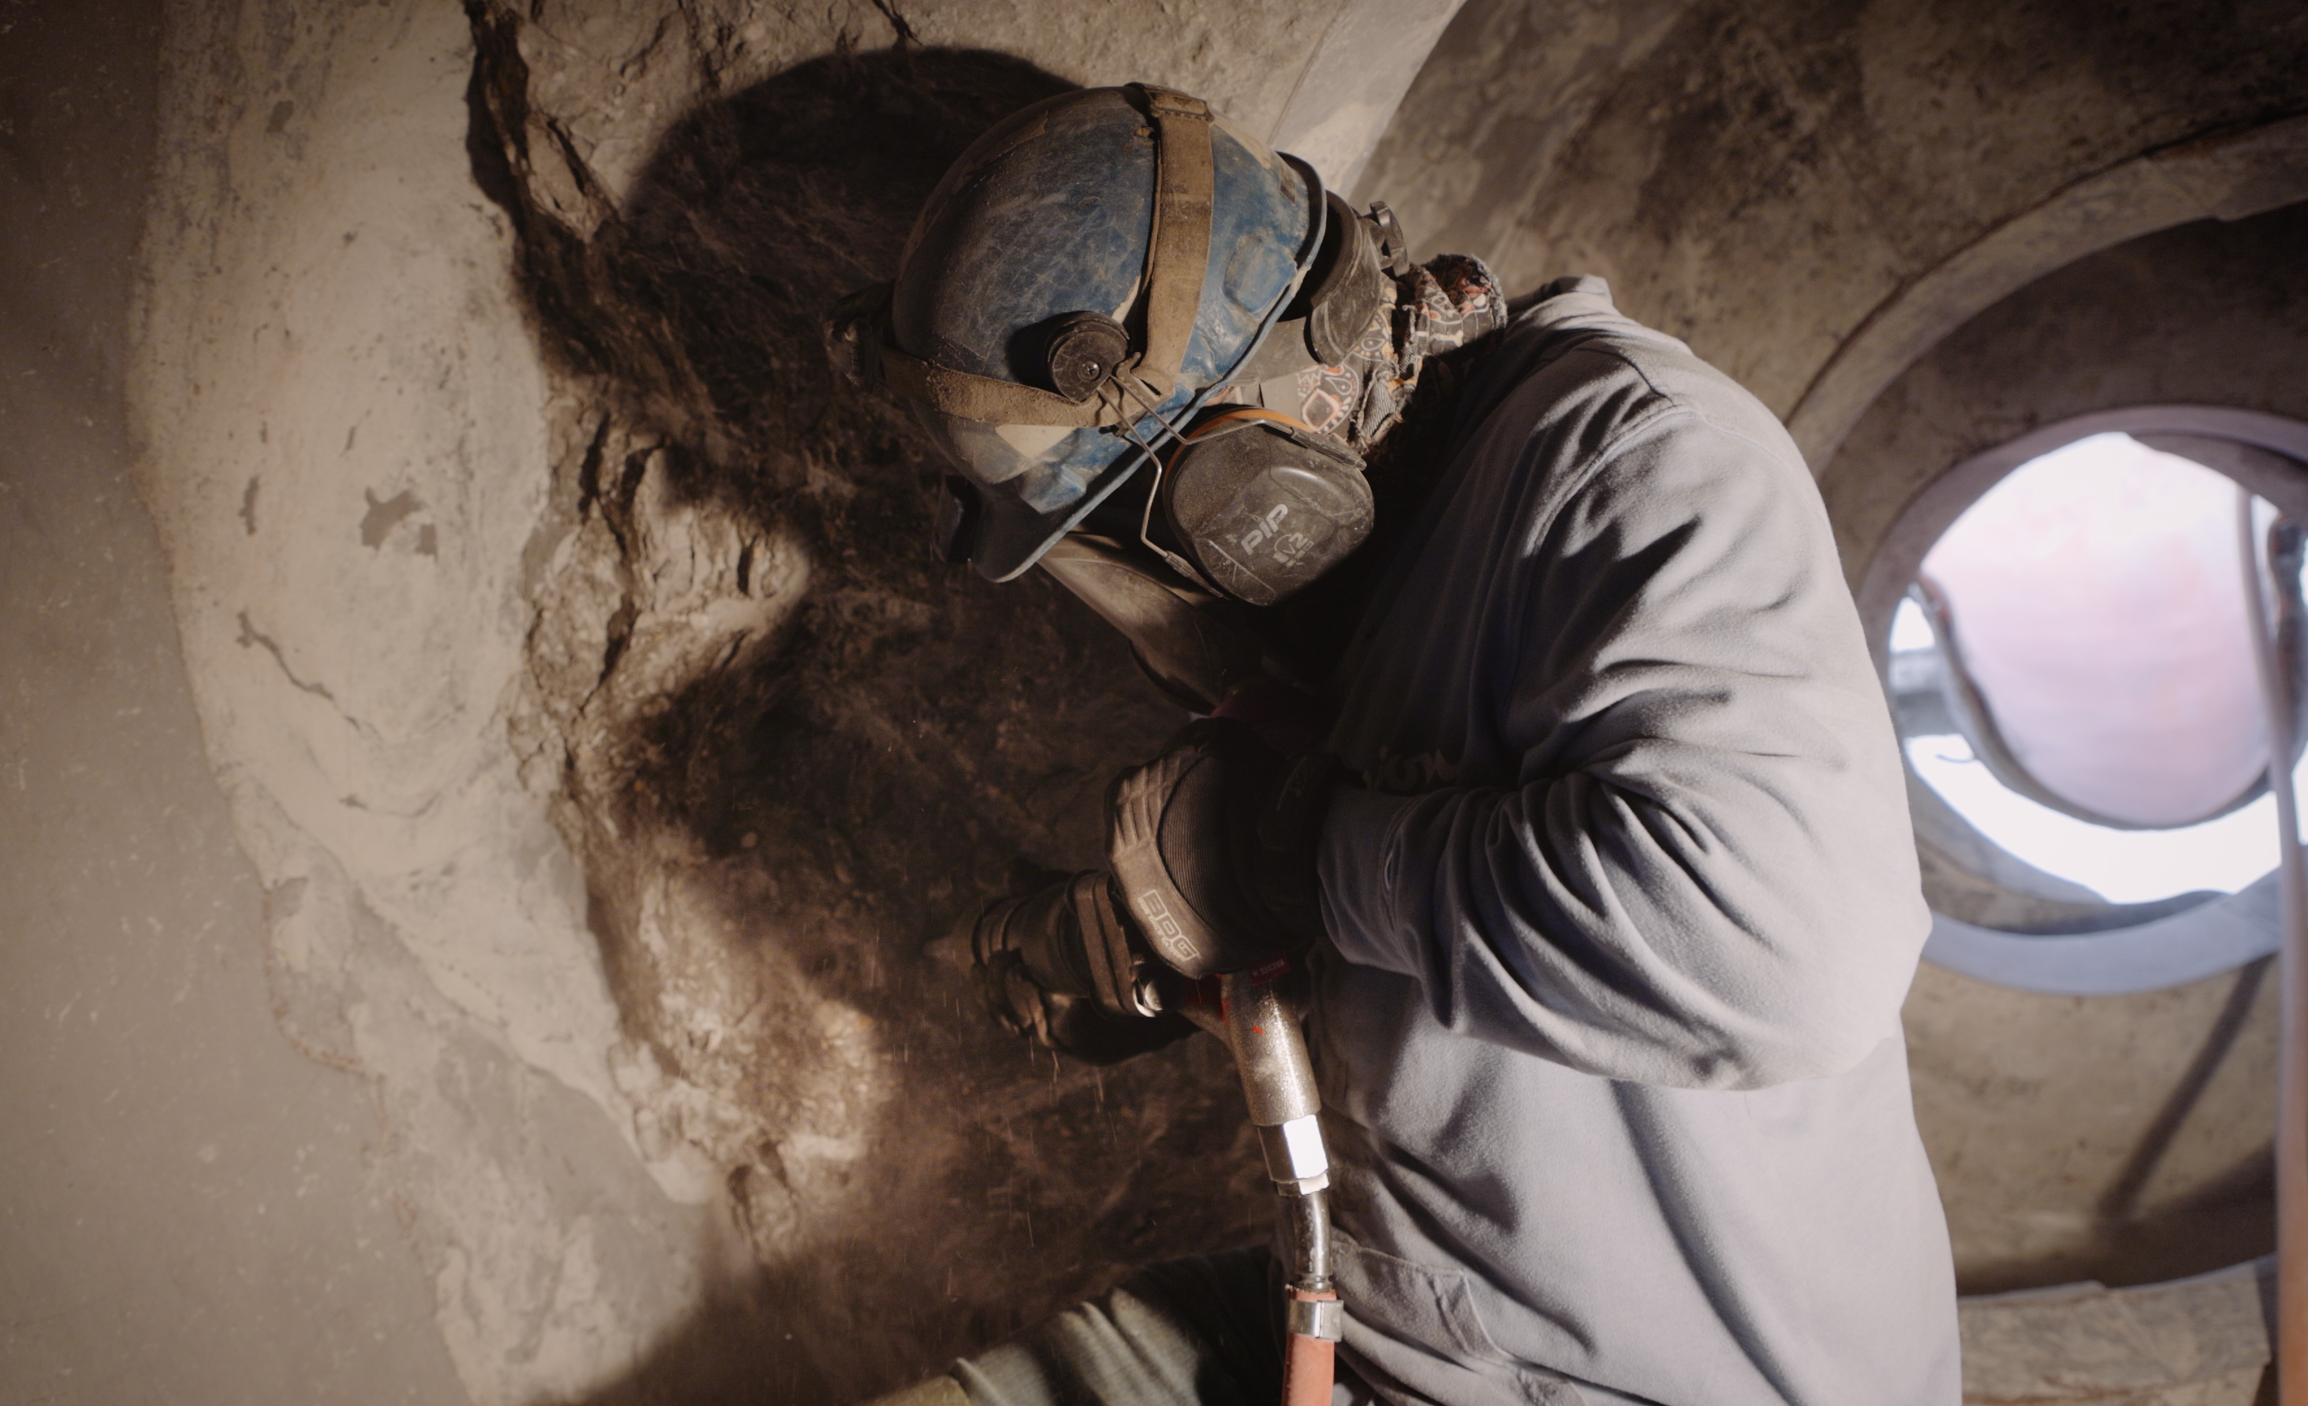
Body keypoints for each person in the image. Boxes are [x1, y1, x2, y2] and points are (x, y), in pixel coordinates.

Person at [834, 82, 1960, 1406]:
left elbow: (1782, 952)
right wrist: (1158, 936)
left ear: (1245, 490)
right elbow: (1440, 908)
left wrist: (1294, 860)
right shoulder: (1403, 567)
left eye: (1128, 531)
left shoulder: (1635, 461)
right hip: (1396, 1329)